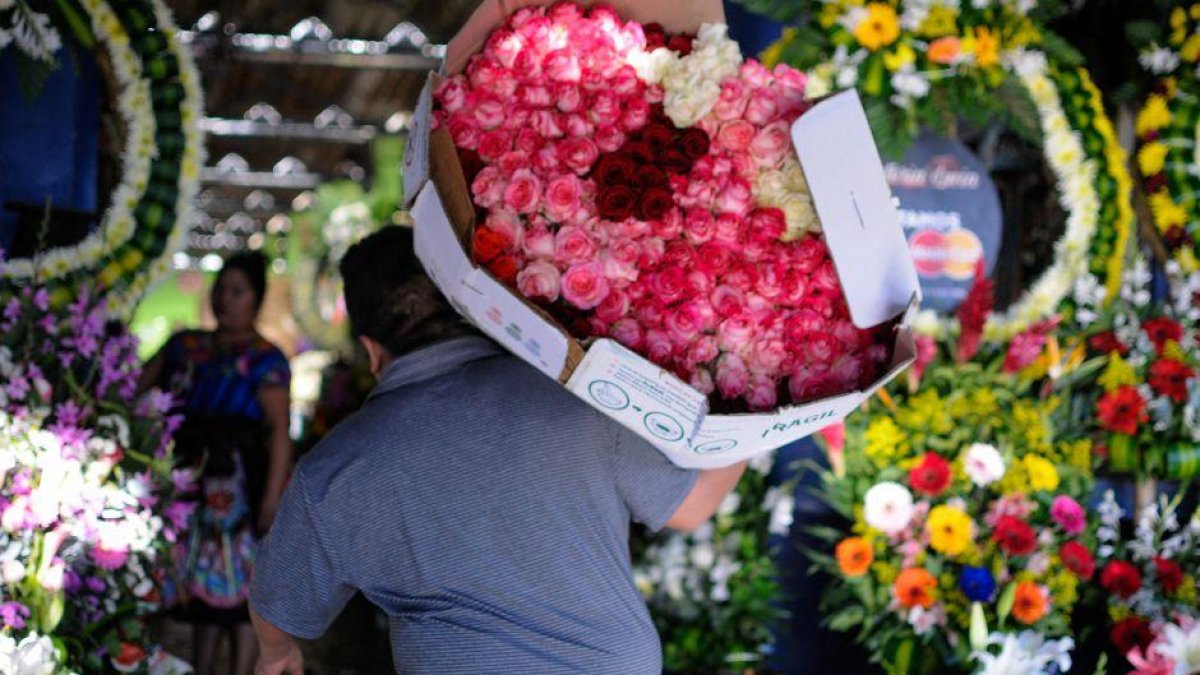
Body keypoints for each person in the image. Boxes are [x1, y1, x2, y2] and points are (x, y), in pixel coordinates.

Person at [249, 226, 746, 674]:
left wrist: (278, 653)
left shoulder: (340, 466)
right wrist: (756, 422)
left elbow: (277, 607)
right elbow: (693, 505)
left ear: (371, 350)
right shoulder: (577, 398)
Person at [139, 252, 294, 675]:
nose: (225, 298)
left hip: (241, 484)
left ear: (257, 299)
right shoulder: (186, 345)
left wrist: (271, 501)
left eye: (237, 291)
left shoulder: (266, 358)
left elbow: (280, 431)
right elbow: (133, 387)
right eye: (220, 288)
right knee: (201, 587)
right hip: (190, 482)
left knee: (243, 591)